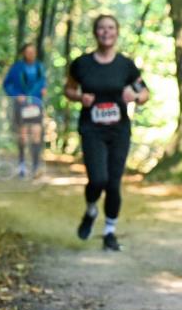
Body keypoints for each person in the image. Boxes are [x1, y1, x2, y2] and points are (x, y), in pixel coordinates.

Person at [63, 15, 149, 251]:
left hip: (119, 131)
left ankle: (110, 232)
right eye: (101, 28)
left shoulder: (125, 65)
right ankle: (91, 210)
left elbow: (144, 92)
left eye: (111, 28)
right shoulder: (82, 64)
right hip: (92, 130)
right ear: (95, 32)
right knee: (98, 179)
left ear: (117, 32)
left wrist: (136, 96)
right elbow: (69, 89)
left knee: (113, 183)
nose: (106, 32)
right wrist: (80, 97)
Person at [3, 43, 47, 178]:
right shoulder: (16, 67)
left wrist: (43, 89)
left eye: (32, 52)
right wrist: (16, 95)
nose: (30, 54)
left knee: (36, 134)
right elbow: (6, 84)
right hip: (21, 105)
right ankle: (22, 165)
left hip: (35, 104)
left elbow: (43, 82)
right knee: (22, 135)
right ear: (23, 53)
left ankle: (36, 166)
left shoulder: (40, 67)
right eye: (28, 52)